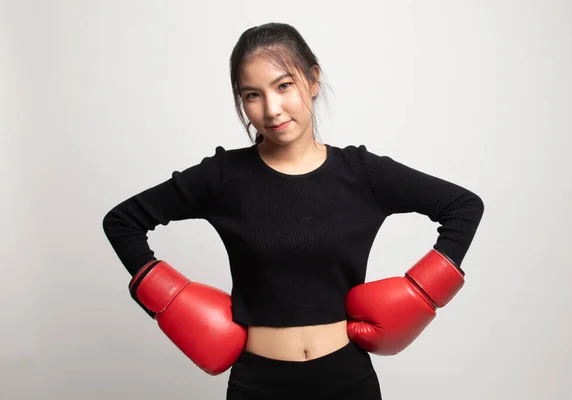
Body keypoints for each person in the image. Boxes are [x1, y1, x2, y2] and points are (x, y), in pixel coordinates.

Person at [102, 22, 484, 400]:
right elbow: (122, 223)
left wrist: (422, 292)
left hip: (347, 382)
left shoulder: (362, 174)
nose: (272, 109)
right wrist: (170, 302)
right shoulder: (223, 178)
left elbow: (463, 207)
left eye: (284, 86)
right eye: (252, 95)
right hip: (258, 383)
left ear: (313, 80)